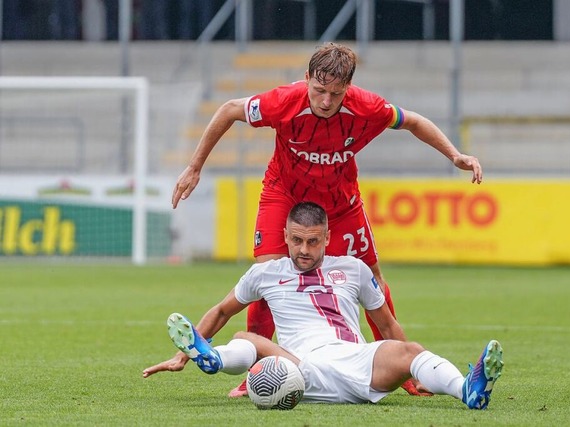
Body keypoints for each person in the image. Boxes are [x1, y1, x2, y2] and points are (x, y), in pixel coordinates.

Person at [172, 42, 483, 397]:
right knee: (268, 271)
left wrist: (454, 155)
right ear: (306, 79)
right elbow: (228, 109)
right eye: (318, 91)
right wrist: (194, 167)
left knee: (374, 277)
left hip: (341, 200)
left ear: (347, 88)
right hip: (284, 191)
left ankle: (407, 373)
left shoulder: (367, 107)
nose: (324, 101)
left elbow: (412, 120)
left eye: (335, 94)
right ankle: (257, 372)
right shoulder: (282, 102)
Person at [143, 202, 504, 409]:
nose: (303, 249)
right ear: (284, 236)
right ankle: (213, 358)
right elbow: (222, 310)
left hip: (357, 364)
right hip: (299, 369)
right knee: (248, 337)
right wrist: (183, 356)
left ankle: (467, 391)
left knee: (410, 349)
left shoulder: (354, 269)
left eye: (313, 242)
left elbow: (388, 326)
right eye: (296, 240)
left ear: (328, 238)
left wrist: (409, 376)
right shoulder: (264, 273)